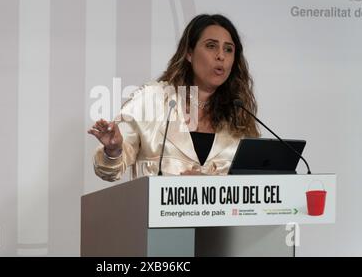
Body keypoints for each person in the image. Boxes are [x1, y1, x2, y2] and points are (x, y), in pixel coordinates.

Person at [88, 14, 260, 181]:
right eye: (211, 46)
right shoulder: (153, 99)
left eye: (228, 49)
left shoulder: (240, 116)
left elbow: (256, 184)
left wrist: (206, 181)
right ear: (189, 53)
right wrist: (113, 150)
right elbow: (109, 171)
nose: (221, 56)